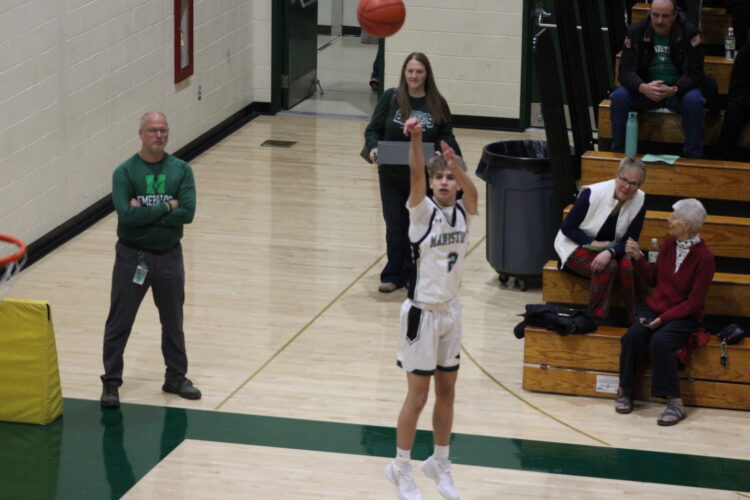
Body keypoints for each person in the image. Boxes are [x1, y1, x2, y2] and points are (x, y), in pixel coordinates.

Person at [385, 117, 478, 500]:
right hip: (421, 314)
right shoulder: (422, 212)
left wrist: (457, 165)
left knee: (448, 391)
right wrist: (418, 139)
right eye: (438, 177)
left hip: (451, 312)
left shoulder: (464, 212)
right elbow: (415, 174)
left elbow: (475, 194)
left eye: (449, 178)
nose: (443, 182)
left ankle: (440, 462)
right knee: (418, 396)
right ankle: (400, 467)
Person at [100, 111, 201, 409]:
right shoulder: (124, 172)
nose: (159, 135)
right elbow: (126, 216)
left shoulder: (181, 170)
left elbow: (188, 213)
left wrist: (143, 212)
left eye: (163, 130)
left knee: (173, 321)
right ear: (141, 134)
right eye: (153, 130)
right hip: (132, 257)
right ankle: (111, 382)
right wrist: (168, 207)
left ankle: (176, 377)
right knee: (120, 321)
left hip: (170, 256)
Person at [364, 52, 459, 294]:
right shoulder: (391, 98)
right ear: (404, 73)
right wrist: (373, 148)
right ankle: (393, 273)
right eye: (410, 71)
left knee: (420, 226)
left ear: (427, 75)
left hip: (422, 179)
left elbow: (447, 136)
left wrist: (439, 151)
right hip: (391, 175)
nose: (414, 76)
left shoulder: (437, 103)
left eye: (419, 71)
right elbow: (373, 130)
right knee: (395, 226)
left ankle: (416, 273)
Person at [617, 198, 714, 425]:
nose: (668, 220)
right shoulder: (670, 243)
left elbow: (693, 303)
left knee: (661, 341)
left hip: (685, 315)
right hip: (656, 307)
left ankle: (675, 403)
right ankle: (625, 390)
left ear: (686, 225)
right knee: (633, 335)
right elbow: (653, 279)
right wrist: (638, 257)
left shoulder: (705, 257)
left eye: (674, 217)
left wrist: (662, 319)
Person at [554, 157, 647, 323]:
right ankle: (595, 319)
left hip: (611, 250)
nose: (627, 187)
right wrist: (591, 243)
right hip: (576, 245)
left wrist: (609, 252)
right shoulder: (593, 193)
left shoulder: (641, 199)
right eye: (624, 180)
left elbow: (631, 239)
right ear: (616, 176)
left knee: (629, 264)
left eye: (633, 184)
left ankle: (635, 318)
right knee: (608, 266)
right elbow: (567, 228)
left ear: (639, 186)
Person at [611, 0, 706, 158]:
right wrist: (642, 87)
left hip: (677, 92)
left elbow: (695, 73)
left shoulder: (689, 32)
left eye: (665, 16)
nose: (659, 21)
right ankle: (619, 156)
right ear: (650, 13)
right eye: (655, 15)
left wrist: (674, 89)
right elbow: (625, 72)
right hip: (646, 90)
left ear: (674, 15)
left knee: (694, 101)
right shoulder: (636, 31)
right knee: (619, 97)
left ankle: (693, 158)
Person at [718, 42, 750, 160]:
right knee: (734, 110)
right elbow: (736, 89)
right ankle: (723, 158)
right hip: (746, 100)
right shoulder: (746, 51)